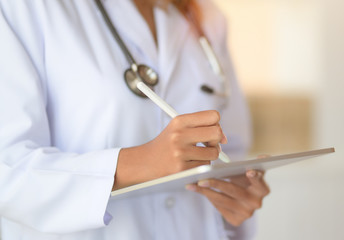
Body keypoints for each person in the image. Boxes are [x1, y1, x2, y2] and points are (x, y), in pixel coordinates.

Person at [0, 0, 270, 239]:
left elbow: (230, 148)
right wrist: (138, 163)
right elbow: (8, 170)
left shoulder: (203, 15)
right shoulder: (25, 7)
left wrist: (236, 193)